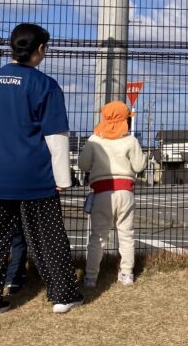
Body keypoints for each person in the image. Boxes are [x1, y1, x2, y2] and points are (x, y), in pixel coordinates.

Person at [0, 23, 83, 317]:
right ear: (40, 49)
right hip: (35, 177)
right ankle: (63, 296)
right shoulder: (45, 85)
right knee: (48, 238)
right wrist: (62, 178)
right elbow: (55, 136)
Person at [78, 101, 147, 288]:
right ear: (125, 120)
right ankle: (126, 274)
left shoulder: (94, 140)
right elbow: (140, 166)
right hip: (125, 191)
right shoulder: (130, 140)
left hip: (101, 192)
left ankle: (91, 277)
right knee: (126, 234)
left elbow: (83, 165)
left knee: (98, 236)